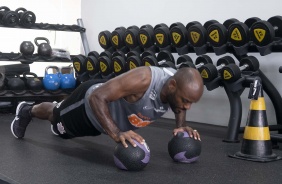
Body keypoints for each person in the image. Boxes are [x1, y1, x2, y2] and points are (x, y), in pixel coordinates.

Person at [11, 66, 204, 148]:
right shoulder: (144, 79)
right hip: (88, 106)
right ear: (171, 86)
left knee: (62, 131)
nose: (187, 106)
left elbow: (179, 105)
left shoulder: (175, 87)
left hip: (102, 121)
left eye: (190, 103)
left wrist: (180, 125)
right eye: (185, 100)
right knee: (55, 117)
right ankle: (27, 109)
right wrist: (117, 133)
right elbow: (97, 96)